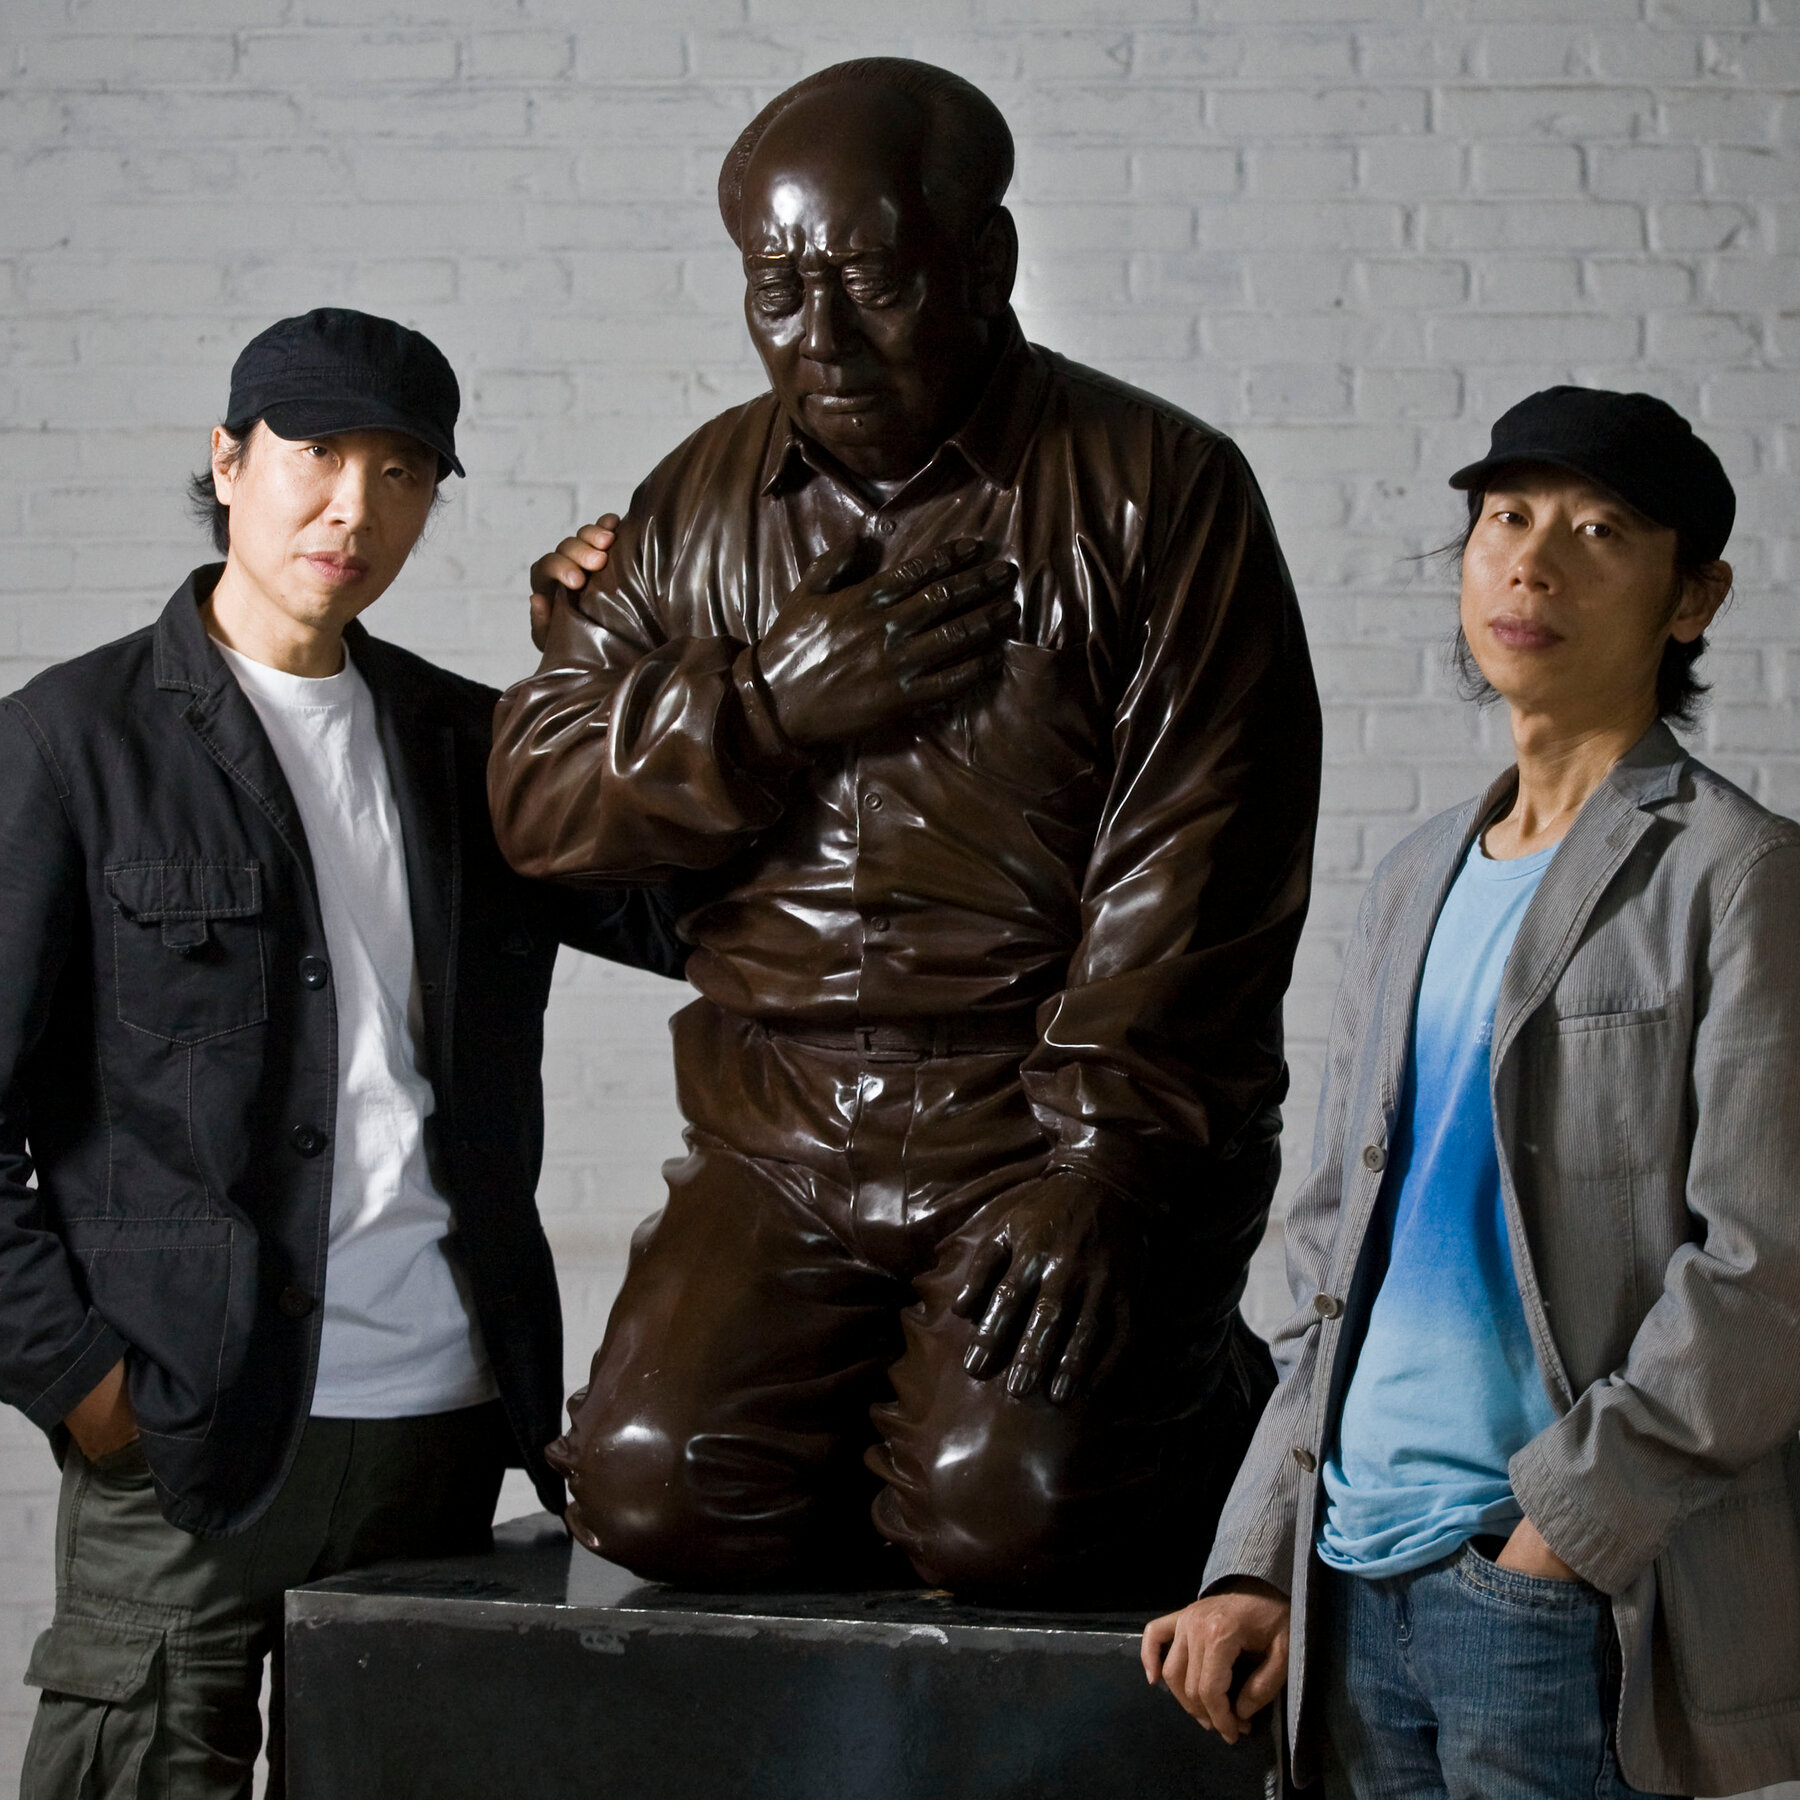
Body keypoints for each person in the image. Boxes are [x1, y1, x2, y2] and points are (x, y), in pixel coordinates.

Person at [489, 58, 1321, 1604]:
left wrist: (1106, 1166)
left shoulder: (1156, 490)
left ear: (986, 263)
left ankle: (1190, 1394)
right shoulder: (697, 505)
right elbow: (537, 796)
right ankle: (909, 1422)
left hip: (1043, 1122)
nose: (823, 338)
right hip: (783, 1132)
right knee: (646, 1492)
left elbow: (1199, 862)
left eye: (871, 282)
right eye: (779, 290)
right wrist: (760, 705)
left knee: (1004, 1526)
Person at [0, 308, 685, 1799]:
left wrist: (610, 669)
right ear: (229, 461)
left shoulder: (473, 744)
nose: (353, 510)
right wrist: (78, 1376)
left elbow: (694, 919)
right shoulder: (68, 745)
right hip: (192, 1440)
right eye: (315, 454)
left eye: (403, 473)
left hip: (442, 1432)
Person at [1141, 386, 1800, 1798]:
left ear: (1694, 598)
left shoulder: (1739, 876)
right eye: (1506, 518)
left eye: (1599, 531)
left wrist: (1558, 1537)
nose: (1531, 562)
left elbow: (1767, 1270)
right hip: (1345, 1584)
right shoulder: (1411, 878)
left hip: (1551, 1588)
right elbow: (1331, 1249)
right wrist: (1258, 1555)